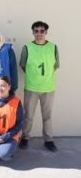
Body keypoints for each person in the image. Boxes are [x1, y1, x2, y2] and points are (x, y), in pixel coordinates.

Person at [19, 21, 59, 152]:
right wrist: (34, 78)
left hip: (48, 88)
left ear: (46, 32)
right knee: (28, 116)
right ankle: (25, 138)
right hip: (31, 88)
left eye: (42, 31)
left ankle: (49, 140)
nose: (39, 34)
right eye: (36, 31)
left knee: (47, 116)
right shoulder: (27, 47)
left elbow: (55, 66)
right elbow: (23, 65)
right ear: (33, 32)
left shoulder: (53, 47)